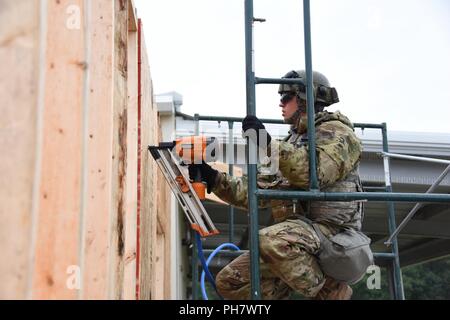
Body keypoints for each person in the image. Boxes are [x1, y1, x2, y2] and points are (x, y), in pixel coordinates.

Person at [189, 70, 369, 300]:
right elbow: (258, 191)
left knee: (269, 240)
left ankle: (331, 292)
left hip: (330, 233)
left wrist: (265, 142)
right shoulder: (292, 142)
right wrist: (212, 177)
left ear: (305, 98)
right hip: (297, 237)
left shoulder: (339, 134)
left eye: (286, 97)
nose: (280, 103)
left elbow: (312, 172)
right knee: (230, 282)